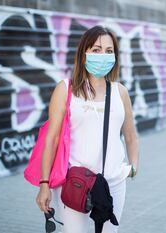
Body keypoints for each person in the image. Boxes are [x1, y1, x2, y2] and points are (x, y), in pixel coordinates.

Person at [36, 25, 139, 233]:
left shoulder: (120, 92)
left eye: (109, 51)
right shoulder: (65, 89)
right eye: (96, 50)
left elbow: (130, 135)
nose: (103, 56)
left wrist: (133, 166)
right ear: (84, 54)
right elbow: (52, 139)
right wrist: (44, 183)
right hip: (76, 183)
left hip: (113, 183)